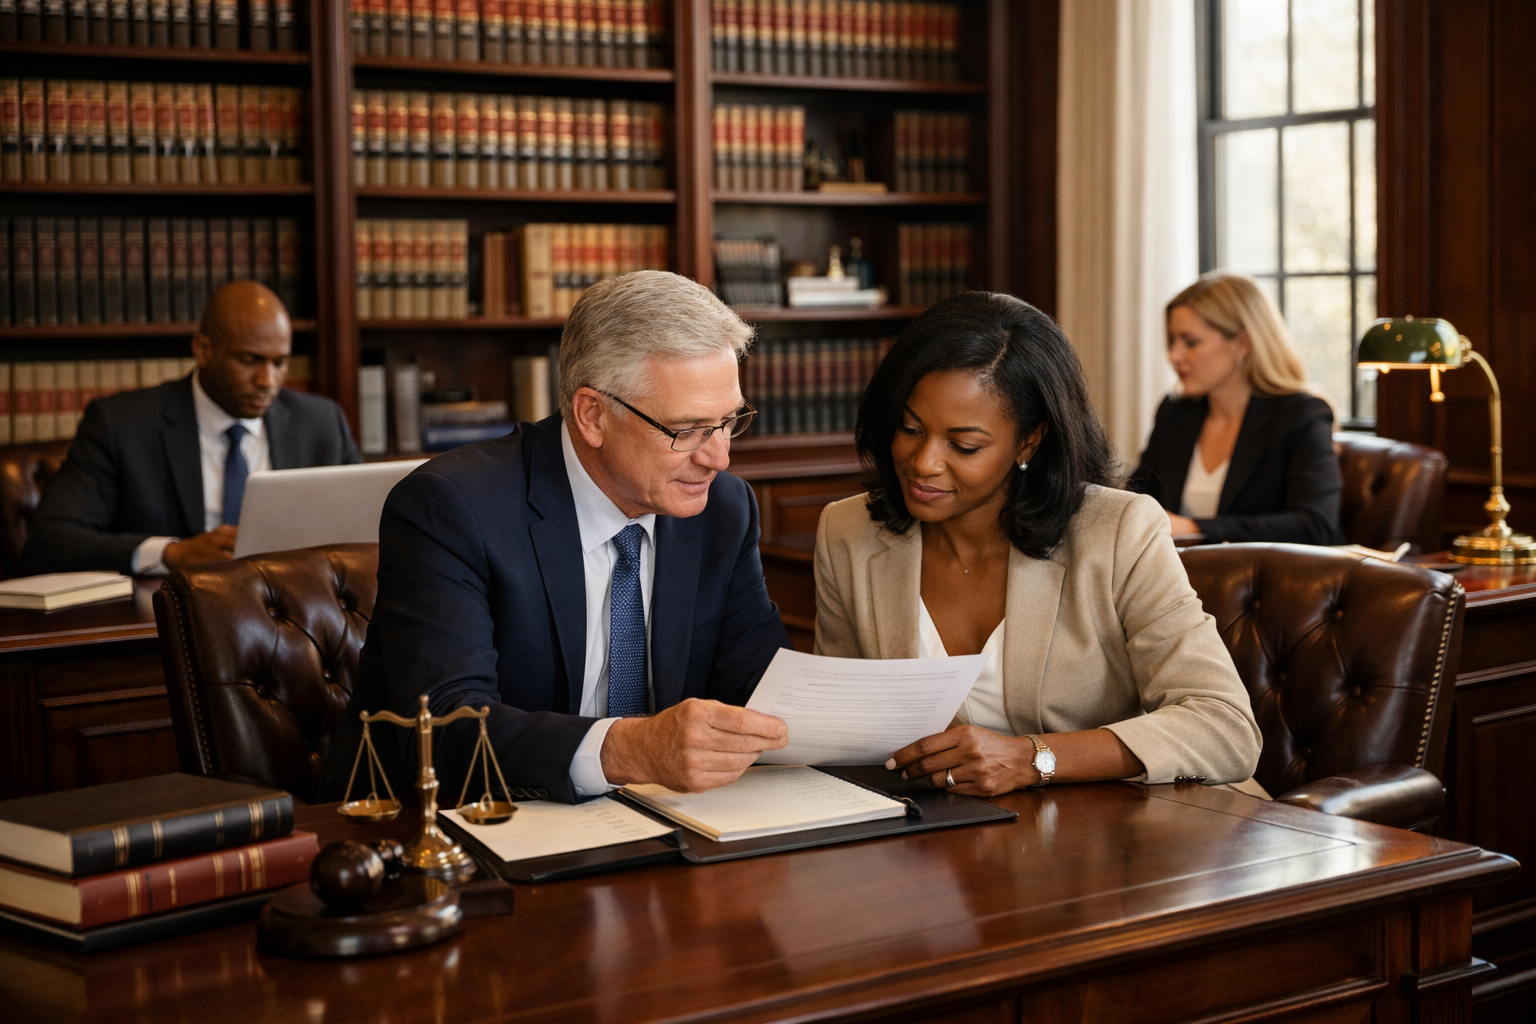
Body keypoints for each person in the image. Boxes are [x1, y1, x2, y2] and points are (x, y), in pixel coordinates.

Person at [319, 271, 792, 806]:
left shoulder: (722, 511)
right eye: (687, 430)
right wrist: (627, 750)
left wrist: (887, 732)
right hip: (445, 831)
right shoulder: (451, 507)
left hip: (659, 827)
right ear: (593, 415)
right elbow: (444, 730)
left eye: (729, 422)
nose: (718, 457)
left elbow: (765, 687)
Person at [814, 291, 1261, 797]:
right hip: (949, 840)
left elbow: (1224, 728)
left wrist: (1033, 758)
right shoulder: (847, 532)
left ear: (1030, 440)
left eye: (964, 445)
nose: (923, 463)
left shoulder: (1118, 531)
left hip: (1127, 833)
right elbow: (843, 730)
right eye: (909, 428)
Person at [22, 280, 360, 577]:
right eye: (249, 360)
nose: (267, 381)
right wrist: (171, 553)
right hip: (171, 625)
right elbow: (49, 541)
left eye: (279, 363)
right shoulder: (121, 425)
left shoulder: (321, 422)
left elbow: (371, 527)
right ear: (203, 349)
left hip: (299, 623)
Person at [1127, 271, 1344, 545]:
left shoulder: (1301, 414)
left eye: (1190, 342)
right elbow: (1137, 496)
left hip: (1267, 584)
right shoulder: (1175, 412)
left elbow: (1315, 525)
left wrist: (1192, 526)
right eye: (1172, 340)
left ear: (1242, 342)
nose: (1174, 356)